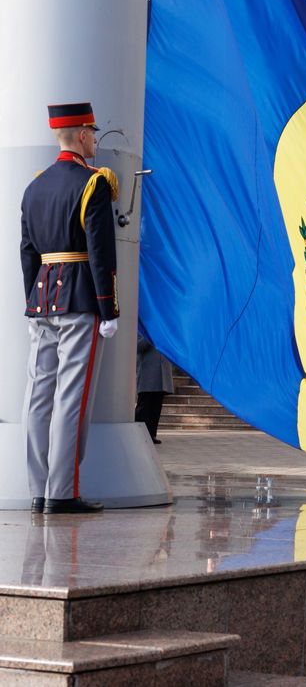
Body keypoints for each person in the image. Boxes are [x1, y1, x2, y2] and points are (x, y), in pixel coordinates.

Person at [20, 102, 120, 514]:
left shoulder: (35, 186)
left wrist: (34, 298)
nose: (96, 139)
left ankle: (38, 490)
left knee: (38, 394)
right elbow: (100, 253)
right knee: (70, 397)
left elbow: (27, 252)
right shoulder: (92, 184)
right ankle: (62, 493)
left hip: (42, 300)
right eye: (93, 132)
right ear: (81, 135)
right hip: (80, 298)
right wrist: (108, 309)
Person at [135, 335, 174, 444]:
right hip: (148, 374)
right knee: (144, 406)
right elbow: (138, 347)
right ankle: (138, 434)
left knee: (156, 408)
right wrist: (150, 335)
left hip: (162, 374)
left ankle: (152, 434)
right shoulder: (141, 328)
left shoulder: (162, 328)